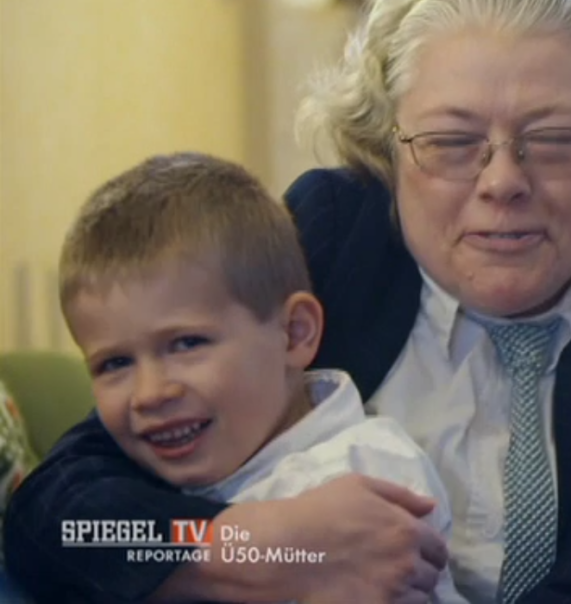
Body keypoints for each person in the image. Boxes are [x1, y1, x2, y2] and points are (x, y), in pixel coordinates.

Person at [3, 0, 571, 604]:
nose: (502, 181)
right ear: (386, 150)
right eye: (451, 140)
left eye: (557, 138)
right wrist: (261, 548)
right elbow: (58, 516)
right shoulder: (334, 240)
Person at [55, 152, 466, 604]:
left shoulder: (365, 475)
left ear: (294, 333)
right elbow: (70, 531)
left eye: (188, 344)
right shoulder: (144, 478)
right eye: (114, 364)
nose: (149, 394)